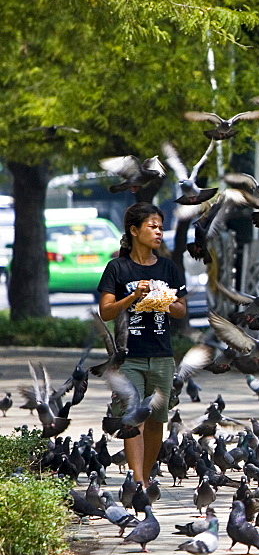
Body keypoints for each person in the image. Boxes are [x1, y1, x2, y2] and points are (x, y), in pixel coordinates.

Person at [98, 202, 187, 485]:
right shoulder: (117, 268)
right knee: (131, 418)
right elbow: (106, 312)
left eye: (161, 227)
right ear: (134, 231)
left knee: (156, 420)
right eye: (153, 226)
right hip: (129, 358)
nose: (159, 232)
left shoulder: (167, 267)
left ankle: (145, 476)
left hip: (161, 355)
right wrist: (134, 296)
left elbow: (182, 310)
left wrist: (162, 300)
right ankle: (137, 481)